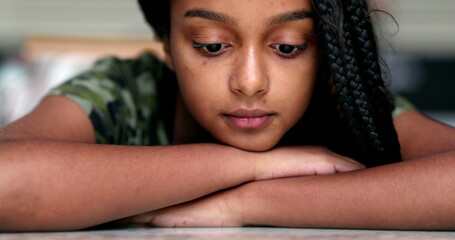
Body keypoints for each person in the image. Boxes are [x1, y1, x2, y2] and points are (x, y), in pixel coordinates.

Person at [1, 0, 455, 231]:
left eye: (289, 47)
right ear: (167, 44)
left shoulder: (346, 105)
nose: (251, 82)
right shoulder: (125, 91)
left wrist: (248, 202)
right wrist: (251, 165)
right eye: (212, 46)